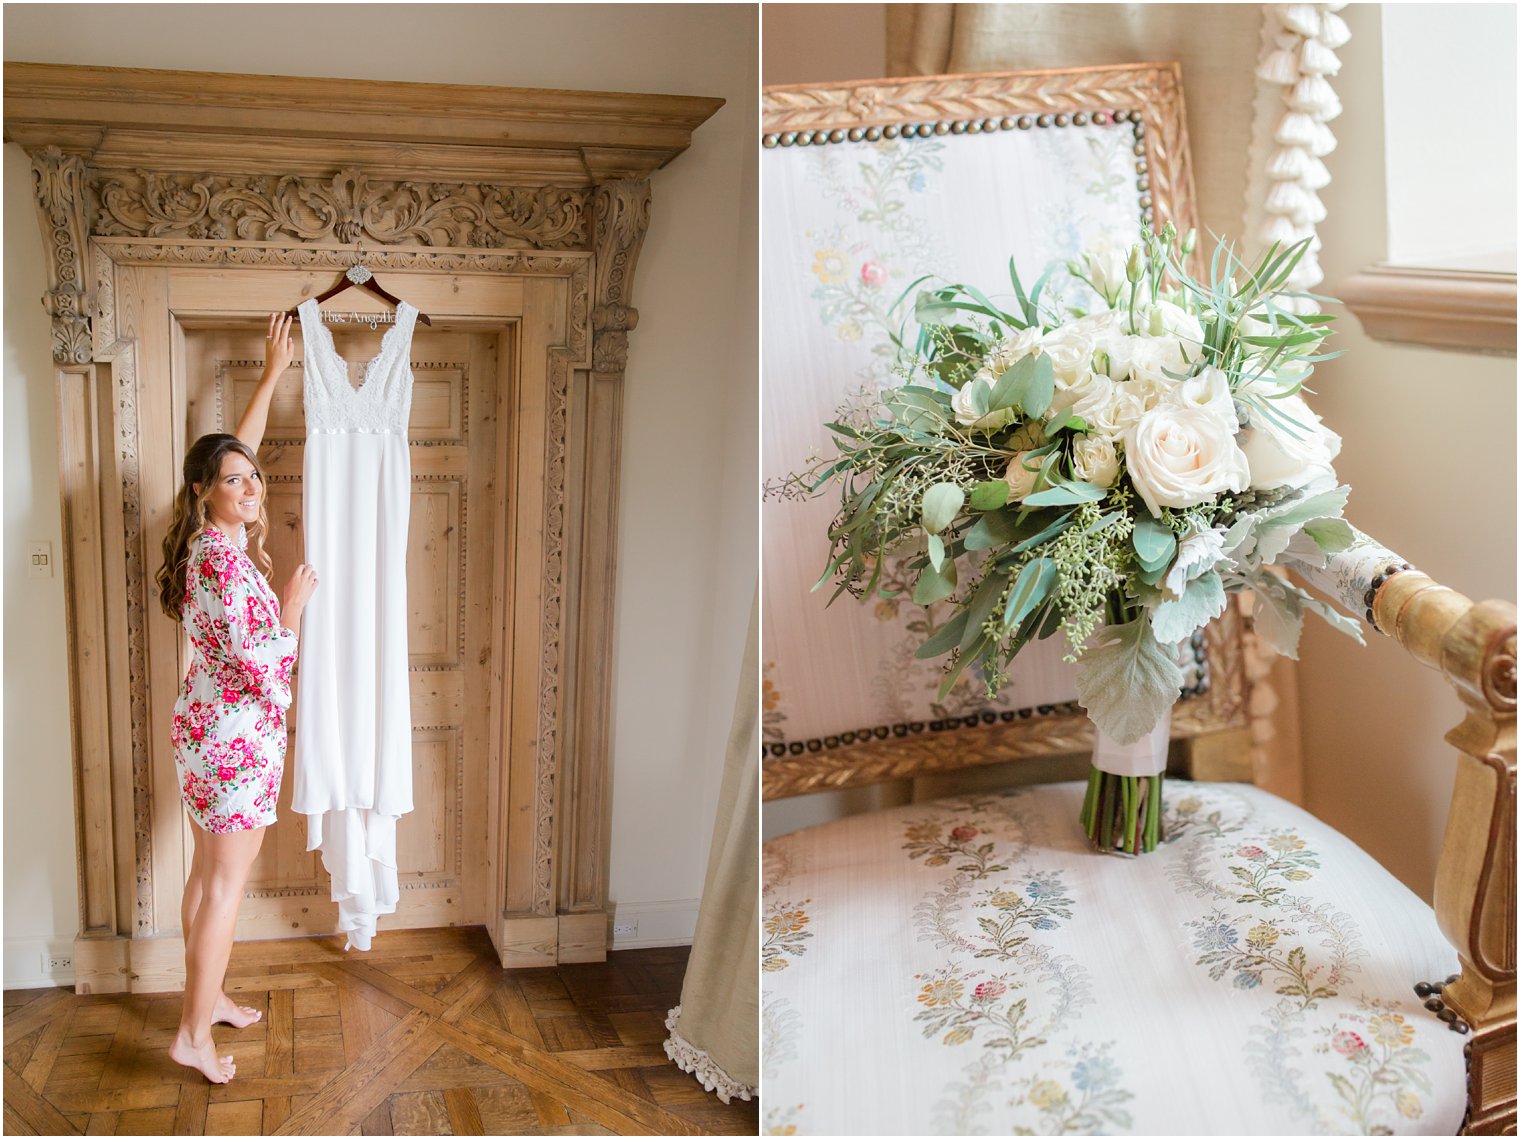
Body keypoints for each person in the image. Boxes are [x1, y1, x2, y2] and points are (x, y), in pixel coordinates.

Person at [154, 313, 319, 1084]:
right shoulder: (221, 565)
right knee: (223, 886)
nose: (251, 486)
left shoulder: (204, 544)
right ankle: (190, 1033)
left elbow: (230, 459)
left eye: (254, 476)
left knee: (203, 878)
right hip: (234, 742)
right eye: (235, 481)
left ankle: (208, 993)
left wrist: (270, 376)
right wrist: (290, 608)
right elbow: (262, 668)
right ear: (202, 492)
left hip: (206, 736)